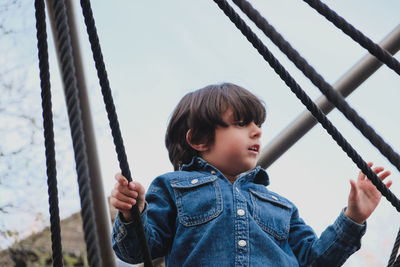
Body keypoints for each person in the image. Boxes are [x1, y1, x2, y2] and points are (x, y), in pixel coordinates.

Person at [110, 83, 392, 266]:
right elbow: (136, 251)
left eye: (258, 124)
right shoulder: (173, 187)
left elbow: (314, 261)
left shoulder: (279, 205)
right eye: (242, 123)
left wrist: (353, 218)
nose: (257, 131)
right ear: (198, 139)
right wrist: (131, 213)